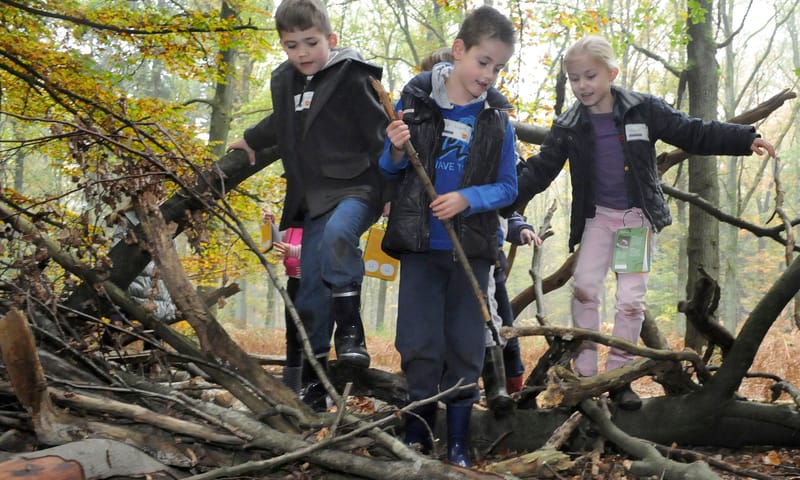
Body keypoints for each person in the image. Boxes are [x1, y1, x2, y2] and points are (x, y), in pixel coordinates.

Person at [508, 34, 777, 410]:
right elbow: (540, 171)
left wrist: (745, 138)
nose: (582, 86)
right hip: (598, 219)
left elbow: (692, 131)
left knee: (630, 300)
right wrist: (500, 200)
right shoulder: (569, 124)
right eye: (574, 79)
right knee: (585, 287)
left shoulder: (643, 109)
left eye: (590, 76)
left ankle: (619, 379)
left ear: (611, 74)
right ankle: (585, 376)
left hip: (635, 221)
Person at [227, 0, 388, 410]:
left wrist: (391, 192)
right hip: (314, 196)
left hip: (358, 187)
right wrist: (250, 139)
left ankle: (351, 334)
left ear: (331, 40)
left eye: (311, 43)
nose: (302, 53)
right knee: (311, 288)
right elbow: (281, 124)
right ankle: (317, 385)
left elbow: (379, 133)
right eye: (291, 45)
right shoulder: (286, 81)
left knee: (338, 236)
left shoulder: (352, 76)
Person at [380, 6, 517, 467]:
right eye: (483, 62)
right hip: (420, 244)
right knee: (419, 342)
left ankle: (458, 442)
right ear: (459, 52)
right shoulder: (417, 100)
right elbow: (389, 168)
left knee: (464, 343)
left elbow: (508, 187)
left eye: (497, 68)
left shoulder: (497, 118)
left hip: (471, 249)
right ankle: (418, 436)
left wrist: (467, 198)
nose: (488, 75)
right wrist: (397, 148)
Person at [482, 212, 541, 416]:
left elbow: (508, 211)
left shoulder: (495, 184)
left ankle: (515, 397)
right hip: (465, 267)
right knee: (473, 340)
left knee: (508, 338)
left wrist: (522, 229)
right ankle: (483, 394)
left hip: (494, 272)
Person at [264, 209, 304, 395]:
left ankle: (314, 386)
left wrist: (294, 251)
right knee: (293, 335)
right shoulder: (293, 221)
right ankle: (292, 390)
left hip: (316, 284)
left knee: (313, 337)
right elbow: (276, 244)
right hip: (294, 283)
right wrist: (270, 225)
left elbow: (323, 247)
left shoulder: (321, 217)